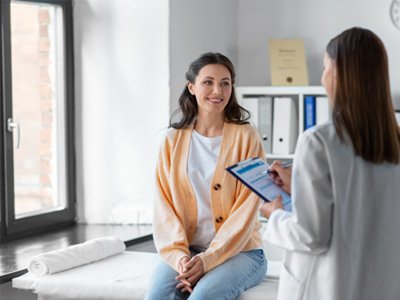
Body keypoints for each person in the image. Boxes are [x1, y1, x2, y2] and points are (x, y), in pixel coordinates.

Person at [260, 27, 400, 300]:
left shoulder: (318, 141)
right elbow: (364, 204)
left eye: (325, 67)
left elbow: (311, 235)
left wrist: (274, 215)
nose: (322, 78)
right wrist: (297, 187)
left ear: (339, 72)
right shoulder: (394, 141)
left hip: (330, 288)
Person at [146, 52, 267, 300]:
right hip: (186, 251)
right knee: (158, 295)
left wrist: (208, 260)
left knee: (203, 296)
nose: (217, 90)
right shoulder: (171, 140)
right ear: (191, 87)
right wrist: (181, 258)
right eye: (208, 82)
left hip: (241, 253)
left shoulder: (247, 137)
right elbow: (163, 207)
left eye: (225, 82)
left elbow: (247, 209)